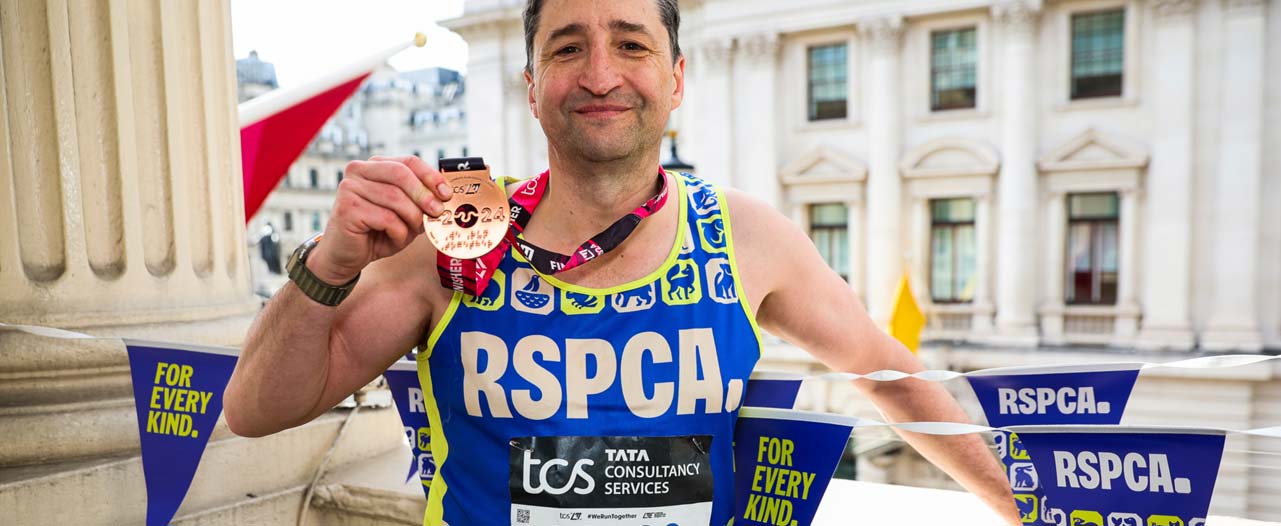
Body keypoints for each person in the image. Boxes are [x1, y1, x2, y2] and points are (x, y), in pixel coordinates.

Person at [225, 0, 1021, 524]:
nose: (601, 75)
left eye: (630, 45)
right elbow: (255, 410)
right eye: (569, 49)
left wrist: (1027, 509)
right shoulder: (454, 228)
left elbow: (891, 377)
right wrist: (329, 259)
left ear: (675, 82)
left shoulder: (745, 235)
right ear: (531, 87)